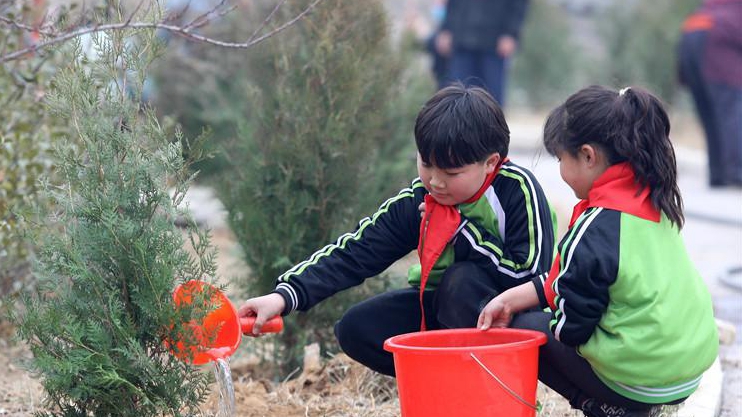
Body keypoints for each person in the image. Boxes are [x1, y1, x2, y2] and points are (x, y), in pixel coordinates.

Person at [238, 84, 556, 376]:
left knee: (461, 281)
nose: (435, 181)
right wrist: (283, 297)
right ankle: (442, 382)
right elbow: (357, 251)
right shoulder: (420, 200)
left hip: (501, 319)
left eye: (451, 172)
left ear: (490, 162)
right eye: (426, 164)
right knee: (355, 328)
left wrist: (460, 233)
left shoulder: (517, 190)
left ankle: (485, 382)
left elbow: (531, 277)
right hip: (438, 310)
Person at [478, 85, 719, 417]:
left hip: (641, 381)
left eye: (562, 158)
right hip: (686, 375)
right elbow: (574, 277)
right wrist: (511, 298)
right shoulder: (653, 195)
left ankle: (605, 407)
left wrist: (541, 314)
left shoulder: (596, 227)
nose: (560, 170)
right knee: (531, 313)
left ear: (588, 156)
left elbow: (572, 327)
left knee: (526, 328)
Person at [678, 0, 742, 187]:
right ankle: (736, 171)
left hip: (692, 31)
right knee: (731, 107)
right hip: (717, 37)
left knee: (711, 112)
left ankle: (718, 173)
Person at [434, 0, 530, 105]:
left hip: (494, 44)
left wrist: (511, 33)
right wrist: (446, 29)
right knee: (456, 96)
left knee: (491, 100)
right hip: (461, 40)